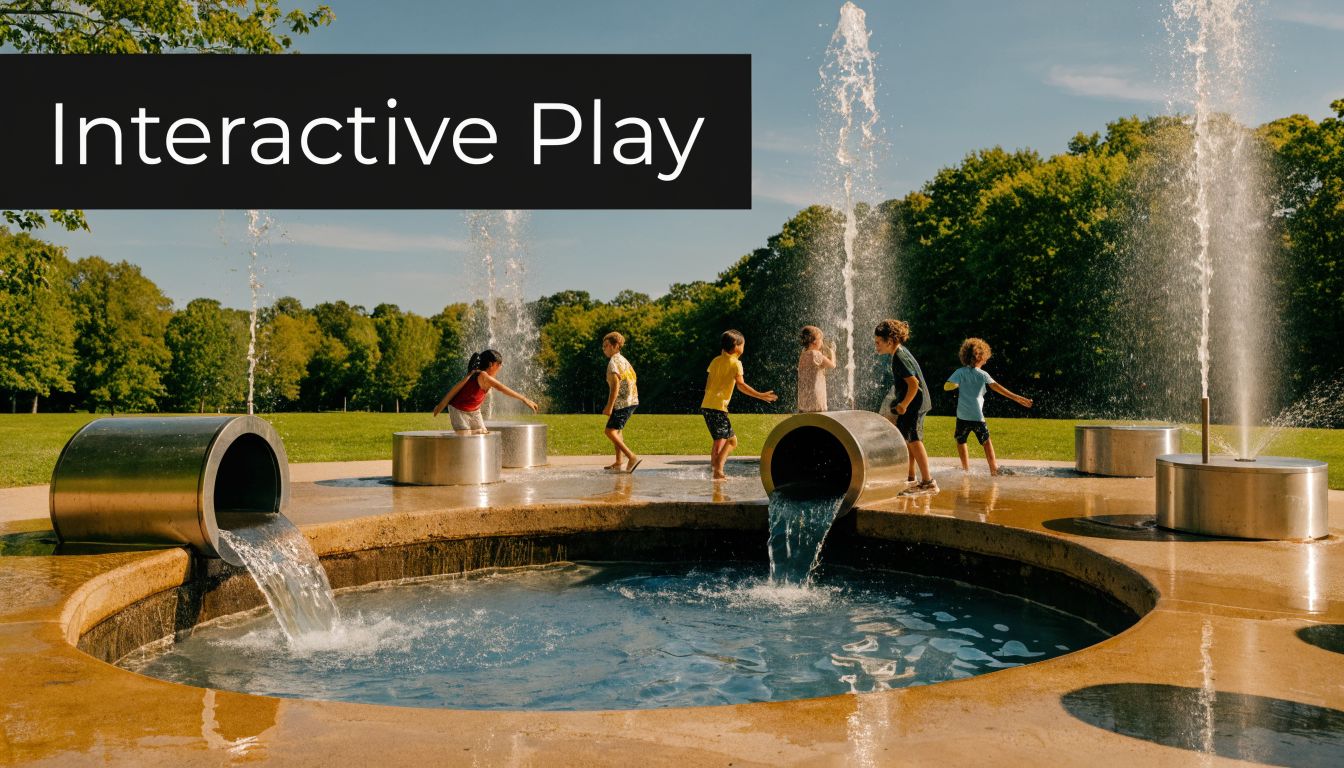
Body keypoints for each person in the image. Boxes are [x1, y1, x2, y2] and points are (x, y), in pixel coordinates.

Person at [944, 337, 1033, 475]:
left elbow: (948, 385)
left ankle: (965, 469)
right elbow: (998, 388)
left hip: (962, 415)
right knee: (986, 442)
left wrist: (954, 384)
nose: (987, 359)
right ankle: (994, 468)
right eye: (985, 356)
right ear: (980, 357)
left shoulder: (960, 372)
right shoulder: (983, 374)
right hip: (977, 416)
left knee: (961, 440)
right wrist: (1017, 398)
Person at [701, 329, 778, 480]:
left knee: (718, 441)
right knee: (732, 441)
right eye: (743, 345)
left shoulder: (716, 360)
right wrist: (760, 395)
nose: (744, 347)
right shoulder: (736, 364)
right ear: (736, 346)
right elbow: (741, 386)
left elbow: (708, 385)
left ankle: (714, 470)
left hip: (706, 405)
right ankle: (718, 471)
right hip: (718, 408)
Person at [874, 319, 937, 495]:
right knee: (909, 440)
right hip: (915, 403)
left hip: (914, 404)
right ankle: (911, 477)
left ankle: (928, 482)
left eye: (878, 342)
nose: (876, 346)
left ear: (890, 340)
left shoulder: (900, 357)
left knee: (914, 440)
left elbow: (913, 384)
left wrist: (903, 405)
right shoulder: (900, 353)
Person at [431, 349, 538, 434]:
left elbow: (454, 390)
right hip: (459, 411)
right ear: (491, 364)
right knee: (465, 437)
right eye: (498, 364)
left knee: (482, 433)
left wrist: (440, 406)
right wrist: (524, 399)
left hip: (474, 411)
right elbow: (501, 387)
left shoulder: (477, 374)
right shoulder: (483, 376)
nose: (500, 367)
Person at [601, 331, 642, 473]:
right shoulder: (623, 360)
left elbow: (616, 385)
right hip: (632, 400)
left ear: (615, 346)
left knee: (609, 431)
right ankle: (619, 462)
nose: (604, 349)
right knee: (617, 431)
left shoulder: (613, 362)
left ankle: (631, 457)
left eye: (606, 346)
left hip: (623, 403)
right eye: (603, 346)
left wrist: (609, 406)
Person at [797, 325, 837, 413]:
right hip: (816, 399)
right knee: (818, 422)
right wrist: (832, 352)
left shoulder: (803, 354)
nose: (822, 342)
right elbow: (832, 365)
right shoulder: (816, 354)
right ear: (815, 341)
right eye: (821, 339)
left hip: (804, 399)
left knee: (806, 423)